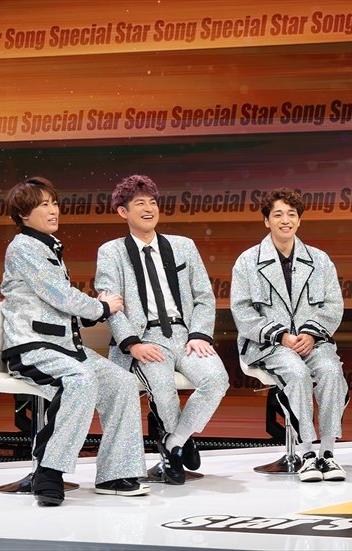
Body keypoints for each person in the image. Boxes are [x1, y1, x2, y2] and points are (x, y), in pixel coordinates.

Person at [0, 177, 149, 506]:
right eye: (43, 205)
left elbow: (56, 305)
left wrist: (90, 313)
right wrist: (102, 307)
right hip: (32, 347)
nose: (53, 210)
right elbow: (58, 295)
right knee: (79, 380)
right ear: (23, 214)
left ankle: (115, 473)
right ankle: (49, 470)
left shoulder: (48, 245)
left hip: (65, 347)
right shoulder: (23, 246)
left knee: (122, 383)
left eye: (54, 203)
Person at [96, 175, 230, 485]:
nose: (149, 209)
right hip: (146, 339)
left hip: (186, 335)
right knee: (163, 390)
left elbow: (204, 296)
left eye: (153, 203)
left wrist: (199, 334)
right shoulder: (111, 252)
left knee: (216, 380)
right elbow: (110, 304)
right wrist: (132, 344)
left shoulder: (184, 246)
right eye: (140, 203)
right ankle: (179, 446)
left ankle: (175, 442)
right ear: (123, 212)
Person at [230, 187, 348, 483]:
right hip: (268, 344)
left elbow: (334, 305)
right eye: (278, 215)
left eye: (291, 214)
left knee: (331, 371)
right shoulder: (247, 261)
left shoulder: (319, 260)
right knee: (296, 373)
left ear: (299, 220)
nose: (285, 220)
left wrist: (310, 334)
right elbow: (242, 311)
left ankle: (328, 453)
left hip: (313, 342)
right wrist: (281, 335)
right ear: (266, 221)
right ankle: (307, 454)